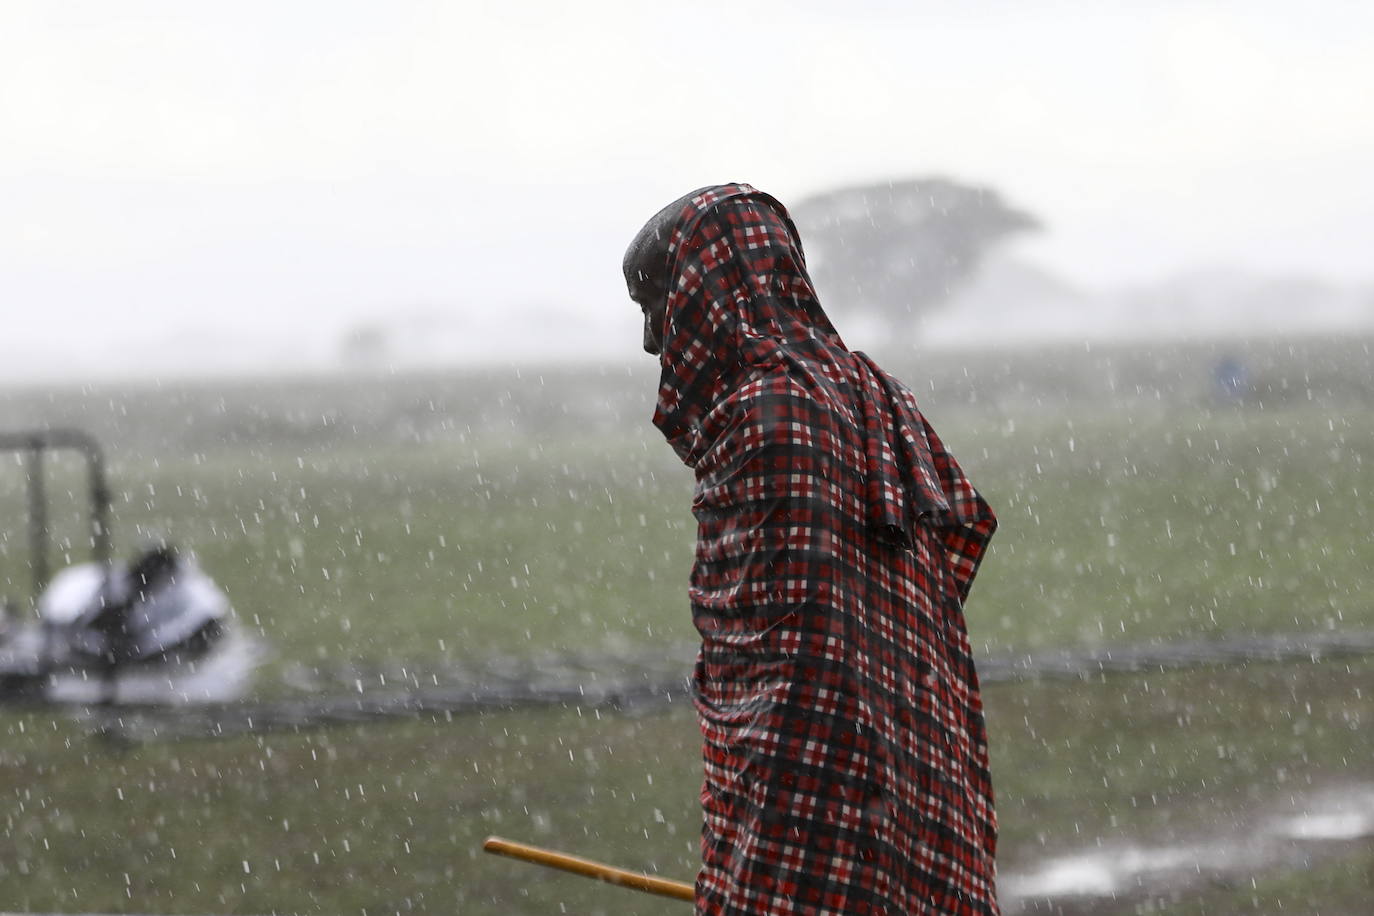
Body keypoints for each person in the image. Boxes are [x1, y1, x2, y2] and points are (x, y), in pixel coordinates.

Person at [622, 184, 1001, 915]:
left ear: (712, 288)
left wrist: (754, 869)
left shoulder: (767, 412)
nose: (649, 341)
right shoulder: (871, 391)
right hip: (915, 744)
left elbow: (782, 660)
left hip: (816, 778)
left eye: (655, 305)